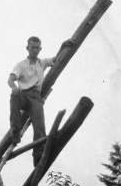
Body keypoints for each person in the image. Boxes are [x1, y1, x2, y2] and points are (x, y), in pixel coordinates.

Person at [8, 36, 73, 167]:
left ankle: (38, 157)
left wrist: (63, 45)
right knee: (13, 97)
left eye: (38, 48)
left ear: (40, 49)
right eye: (33, 48)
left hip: (36, 98)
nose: (35, 51)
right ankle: (15, 131)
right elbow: (10, 79)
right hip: (23, 95)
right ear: (28, 48)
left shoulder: (41, 63)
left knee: (40, 129)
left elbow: (56, 58)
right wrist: (14, 88)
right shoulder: (21, 65)